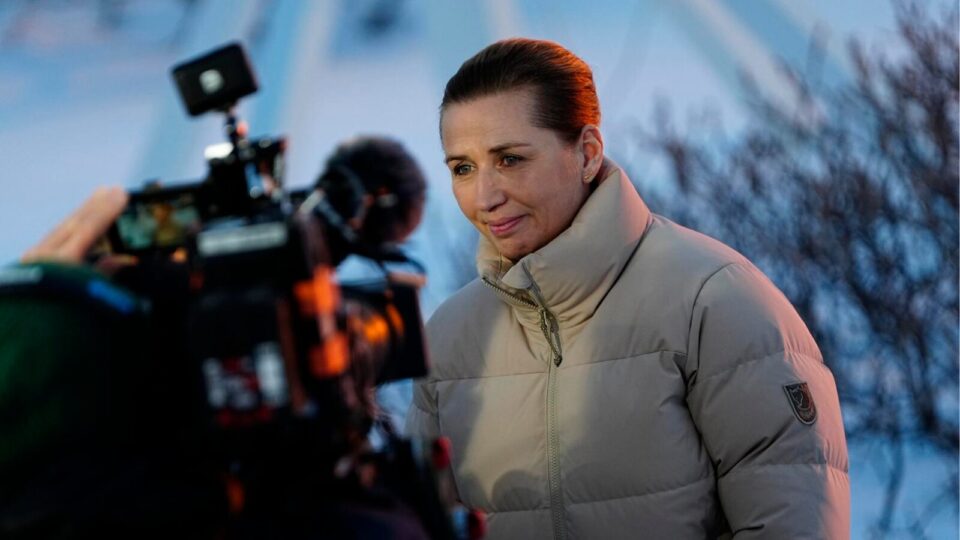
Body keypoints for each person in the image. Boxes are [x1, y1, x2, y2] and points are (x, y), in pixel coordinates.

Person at [405, 38, 849, 538]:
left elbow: (791, 525)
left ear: (588, 154)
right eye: (463, 168)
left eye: (509, 159)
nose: (485, 196)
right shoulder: (449, 338)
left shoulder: (715, 301)